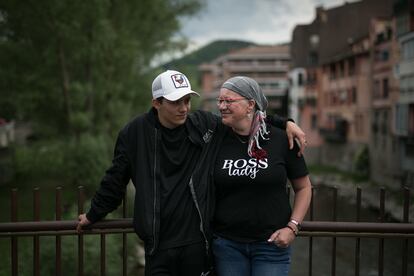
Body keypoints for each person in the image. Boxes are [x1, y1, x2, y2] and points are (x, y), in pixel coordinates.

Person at [76, 70, 307, 276]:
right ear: (157, 102)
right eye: (176, 102)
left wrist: (285, 122)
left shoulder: (202, 125)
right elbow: (115, 180)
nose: (184, 108)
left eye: (187, 100)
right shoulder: (134, 134)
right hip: (158, 244)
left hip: (198, 243)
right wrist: (93, 214)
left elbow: (247, 116)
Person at [212, 76, 312, 276]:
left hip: (272, 245)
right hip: (227, 245)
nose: (222, 106)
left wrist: (292, 227)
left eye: (228, 101)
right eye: (220, 100)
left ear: (250, 104)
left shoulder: (281, 139)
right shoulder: (216, 136)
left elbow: (304, 188)